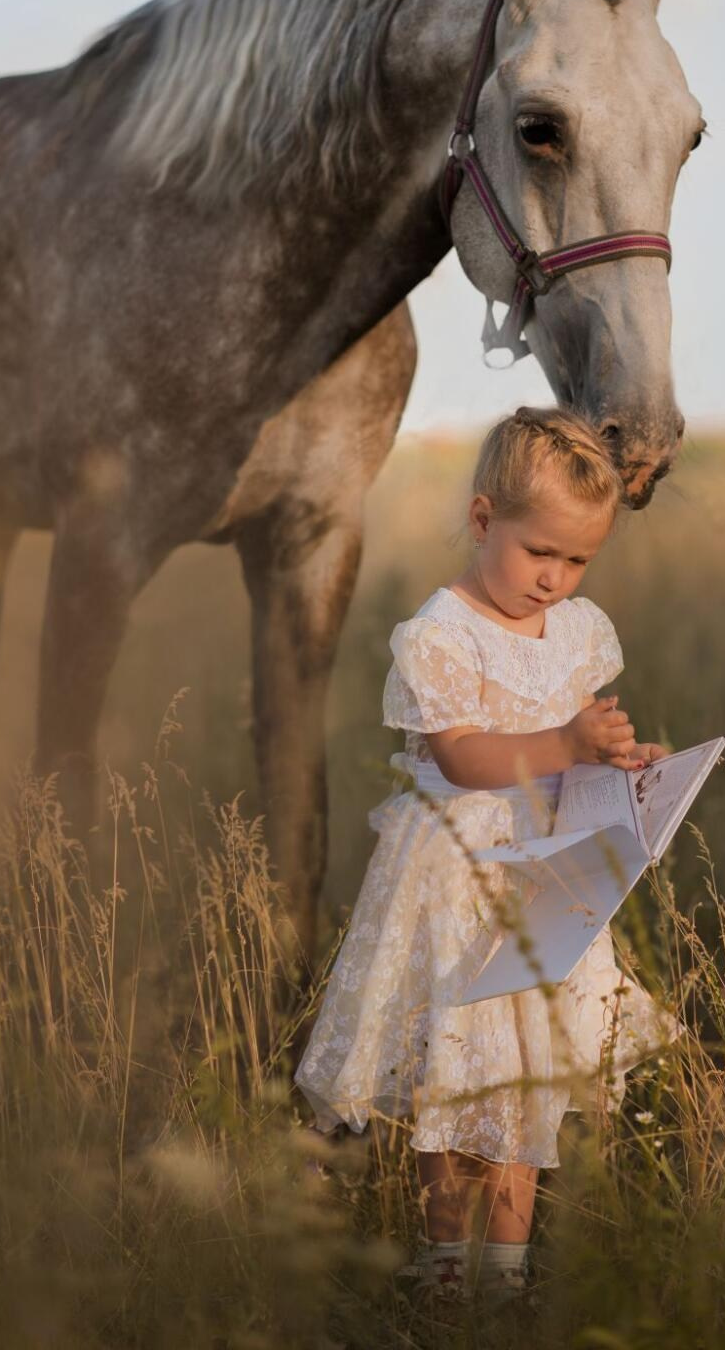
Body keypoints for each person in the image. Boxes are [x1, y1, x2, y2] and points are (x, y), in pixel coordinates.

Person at [294, 407, 681, 1307]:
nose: (555, 579)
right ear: (482, 521)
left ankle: (505, 1269)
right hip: (463, 878)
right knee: (462, 1064)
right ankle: (443, 1259)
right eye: (538, 552)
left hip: (551, 870)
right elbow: (460, 757)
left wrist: (624, 759)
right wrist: (564, 741)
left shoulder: (579, 630)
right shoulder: (442, 631)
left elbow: (580, 736)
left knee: (529, 1071)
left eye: (578, 560)